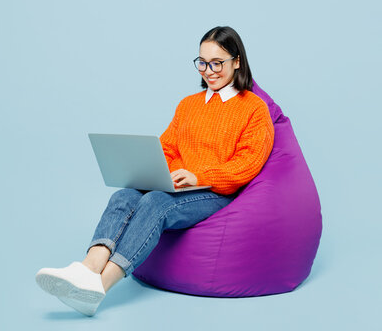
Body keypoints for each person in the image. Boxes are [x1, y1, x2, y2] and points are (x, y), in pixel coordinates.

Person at [35, 26, 275, 316]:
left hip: (217, 192)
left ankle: (99, 288)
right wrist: (166, 174)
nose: (208, 71)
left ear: (237, 61)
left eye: (217, 63)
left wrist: (199, 177)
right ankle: (87, 269)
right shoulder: (189, 105)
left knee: (155, 202)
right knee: (124, 195)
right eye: (202, 62)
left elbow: (247, 164)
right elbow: (168, 149)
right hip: (184, 186)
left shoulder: (253, 109)